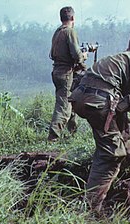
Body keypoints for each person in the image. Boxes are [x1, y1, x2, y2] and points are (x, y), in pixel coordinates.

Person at [69, 33, 130, 212]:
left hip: (80, 98)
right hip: (98, 102)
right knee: (111, 155)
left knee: (121, 126)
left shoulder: (117, 58)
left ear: (129, 47)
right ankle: (91, 209)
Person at [47, 6, 87, 142]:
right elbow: (76, 54)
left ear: (61, 18)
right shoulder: (70, 32)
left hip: (58, 71)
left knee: (70, 100)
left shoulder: (57, 32)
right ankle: (53, 137)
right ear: (73, 18)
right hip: (65, 73)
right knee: (63, 106)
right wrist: (83, 60)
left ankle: (72, 133)